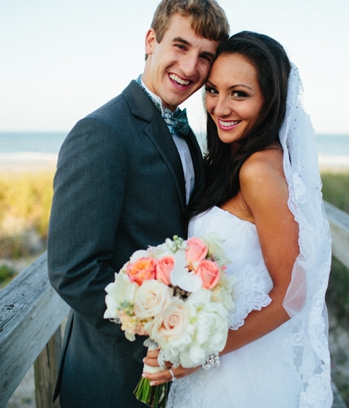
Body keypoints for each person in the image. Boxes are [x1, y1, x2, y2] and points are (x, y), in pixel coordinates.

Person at [46, 1, 229, 407]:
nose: (189, 66)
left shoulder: (186, 133)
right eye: (180, 46)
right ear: (151, 41)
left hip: (175, 374)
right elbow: (73, 270)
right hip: (112, 375)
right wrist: (159, 340)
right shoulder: (101, 132)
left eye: (205, 57)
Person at [143, 31, 334, 407]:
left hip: (241, 373)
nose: (219, 107)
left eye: (239, 93)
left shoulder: (259, 172)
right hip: (221, 364)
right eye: (213, 90)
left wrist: (203, 351)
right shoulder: (235, 162)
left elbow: (293, 294)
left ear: (269, 100)